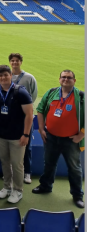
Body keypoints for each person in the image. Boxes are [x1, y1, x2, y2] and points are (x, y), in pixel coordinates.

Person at [32, 70, 85, 208]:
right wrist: (42, 129)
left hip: (71, 140)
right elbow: (40, 109)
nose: (66, 79)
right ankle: (45, 186)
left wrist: (81, 134)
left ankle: (77, 195)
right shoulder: (51, 93)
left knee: (74, 168)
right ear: (59, 79)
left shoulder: (80, 97)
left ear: (74, 80)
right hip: (51, 137)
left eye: (69, 77)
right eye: (63, 77)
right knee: (49, 163)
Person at [0, 65, 33, 204]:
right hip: (0, 135)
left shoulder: (20, 92)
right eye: (0, 75)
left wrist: (25, 135)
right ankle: (7, 187)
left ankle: (18, 191)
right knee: (5, 162)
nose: (3, 77)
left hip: (17, 136)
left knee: (17, 164)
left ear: (10, 76)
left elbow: (29, 115)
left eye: (5, 75)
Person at [9, 53, 38, 184]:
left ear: (21, 62)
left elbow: (33, 95)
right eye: (12, 61)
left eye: (17, 61)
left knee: (26, 145)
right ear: (10, 62)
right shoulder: (6, 76)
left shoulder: (28, 77)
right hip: (10, 118)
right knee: (11, 145)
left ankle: (27, 172)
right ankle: (10, 172)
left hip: (25, 117)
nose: (15, 63)